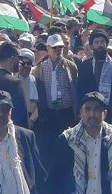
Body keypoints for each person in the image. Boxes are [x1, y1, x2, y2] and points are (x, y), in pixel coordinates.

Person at [33, 34, 79, 163]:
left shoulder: (70, 66)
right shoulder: (40, 67)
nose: (58, 50)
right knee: (50, 145)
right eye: (54, 48)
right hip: (49, 113)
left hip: (66, 112)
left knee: (67, 144)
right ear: (48, 49)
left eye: (60, 47)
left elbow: (75, 87)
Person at [77, 30, 112, 108]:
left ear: (107, 44)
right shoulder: (84, 66)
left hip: (111, 111)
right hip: (90, 110)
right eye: (96, 42)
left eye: (102, 42)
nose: (100, 45)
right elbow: (80, 90)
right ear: (91, 46)